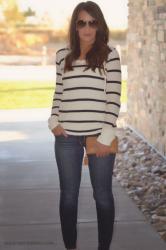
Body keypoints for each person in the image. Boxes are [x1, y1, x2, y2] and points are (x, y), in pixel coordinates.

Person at [48, 1, 122, 249]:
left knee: (102, 197)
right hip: (66, 137)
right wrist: (54, 121)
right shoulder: (62, 56)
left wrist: (106, 135)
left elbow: (113, 97)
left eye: (93, 22)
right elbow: (59, 92)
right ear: (75, 26)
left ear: (99, 25)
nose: (88, 27)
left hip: (98, 137)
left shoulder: (110, 55)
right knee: (68, 198)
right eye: (82, 22)